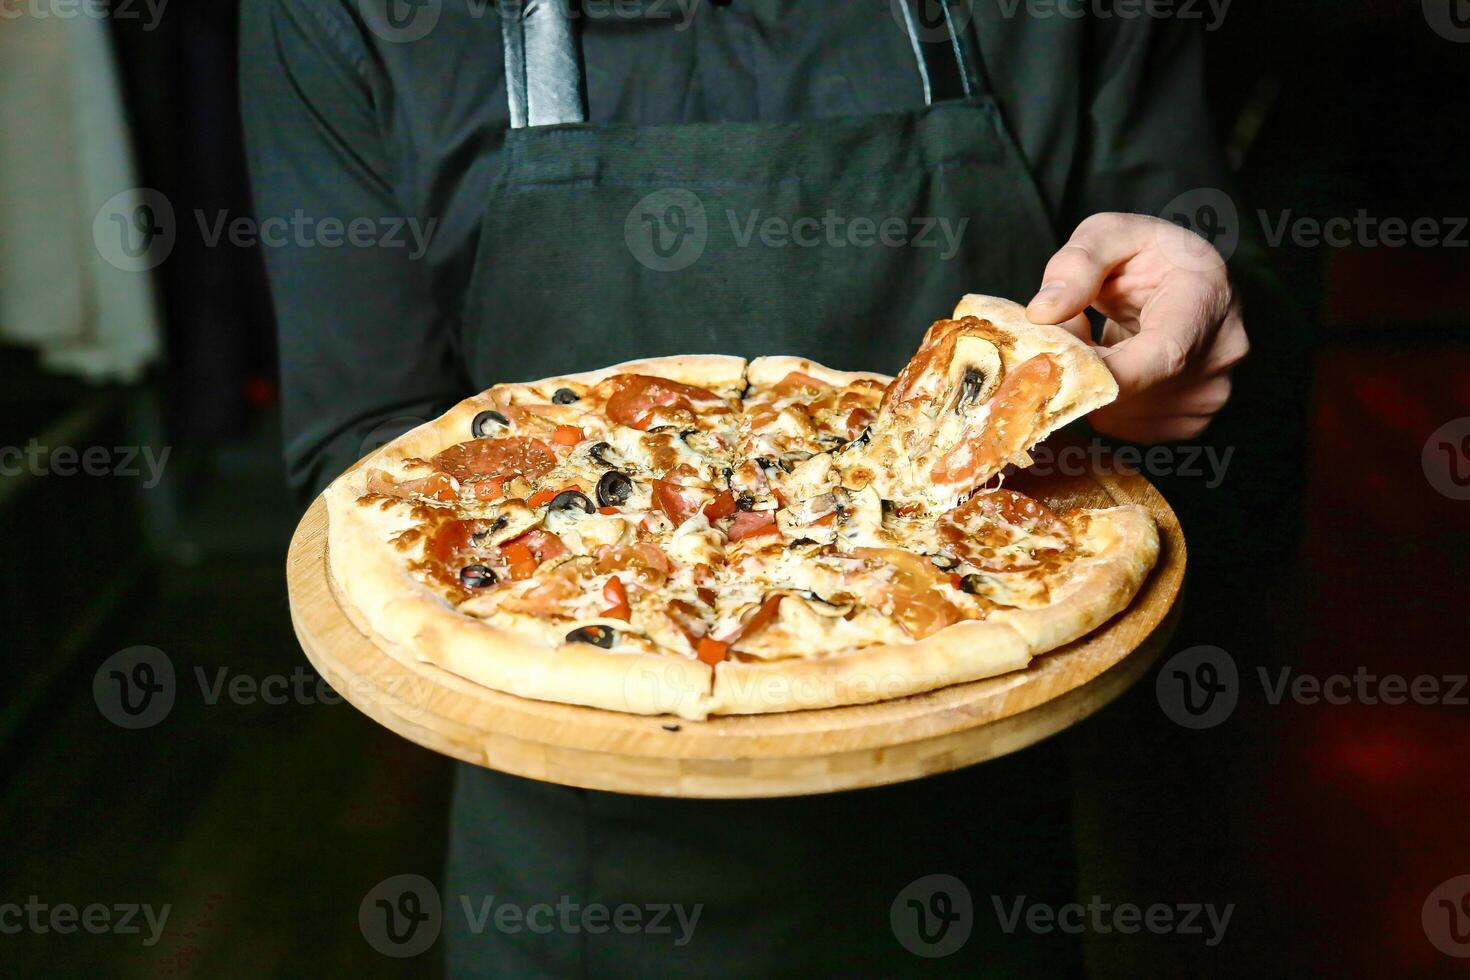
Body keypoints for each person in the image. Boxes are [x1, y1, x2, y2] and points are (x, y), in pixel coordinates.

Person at [243, 1, 1276, 973]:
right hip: (575, 884)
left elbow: (1197, 329)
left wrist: (1176, 327)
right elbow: (368, 452)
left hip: (978, 846)